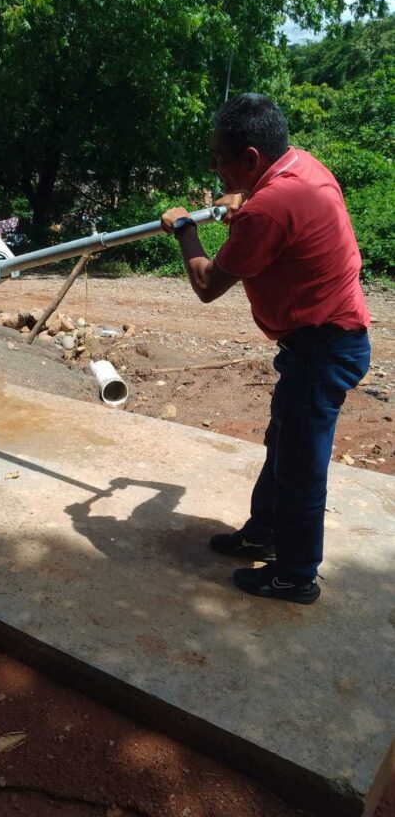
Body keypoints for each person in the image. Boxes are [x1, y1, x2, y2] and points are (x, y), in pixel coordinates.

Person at [161, 93, 371, 605]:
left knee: (300, 468)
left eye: (219, 158)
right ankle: (263, 534)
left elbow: (207, 284)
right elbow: (266, 216)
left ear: (251, 158)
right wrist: (241, 199)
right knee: (284, 444)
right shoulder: (303, 169)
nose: (213, 168)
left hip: (324, 348)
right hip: (322, 340)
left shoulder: (270, 207)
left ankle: (296, 576)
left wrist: (185, 228)